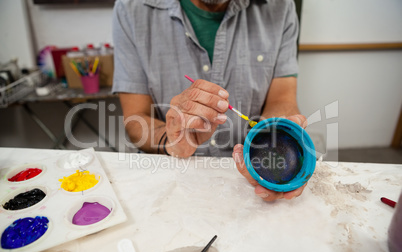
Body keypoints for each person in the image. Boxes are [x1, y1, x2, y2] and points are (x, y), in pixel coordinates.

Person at [112, 0, 308, 201]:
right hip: (171, 180)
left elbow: (282, 98)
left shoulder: (280, 6)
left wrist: (274, 141)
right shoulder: (131, 8)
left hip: (245, 184)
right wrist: (171, 141)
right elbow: (137, 118)